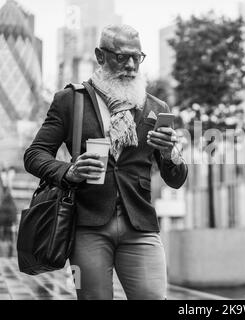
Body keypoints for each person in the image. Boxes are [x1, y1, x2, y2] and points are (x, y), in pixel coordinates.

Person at [23, 24, 188, 300]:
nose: (131, 65)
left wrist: (172, 153)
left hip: (141, 226)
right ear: (100, 56)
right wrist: (69, 171)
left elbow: (176, 179)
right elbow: (34, 154)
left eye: (137, 57)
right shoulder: (70, 101)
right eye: (121, 57)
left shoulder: (156, 109)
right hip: (86, 227)